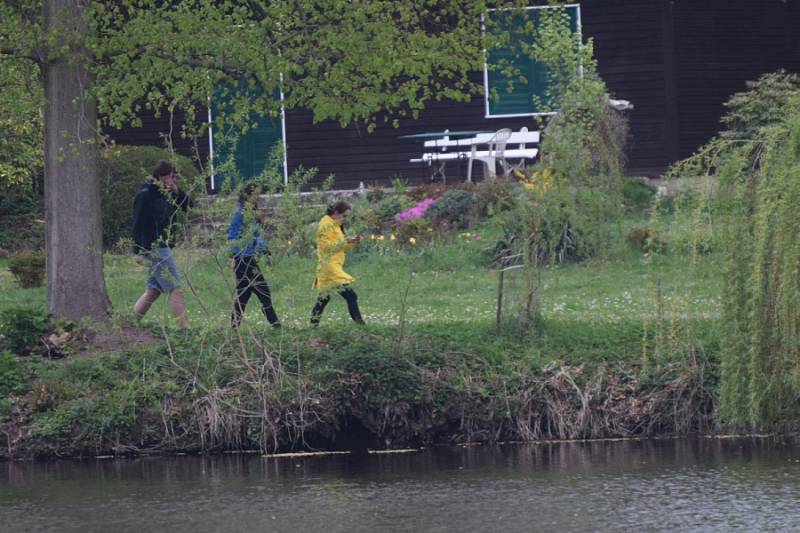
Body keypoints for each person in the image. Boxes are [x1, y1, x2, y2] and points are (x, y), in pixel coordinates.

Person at [131, 160, 192, 329]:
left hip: (164, 245)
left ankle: (131, 322)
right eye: (172, 177)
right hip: (155, 247)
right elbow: (137, 224)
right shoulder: (146, 195)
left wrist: (177, 191)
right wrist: (138, 251)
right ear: (162, 176)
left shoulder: (168, 193)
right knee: (175, 288)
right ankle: (184, 328)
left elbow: (188, 206)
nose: (174, 180)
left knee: (154, 290)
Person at [228, 183, 281, 328]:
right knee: (263, 291)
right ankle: (276, 325)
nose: (258, 197)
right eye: (255, 194)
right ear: (247, 195)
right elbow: (232, 235)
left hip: (249, 257)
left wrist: (265, 251)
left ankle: (234, 327)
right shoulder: (239, 213)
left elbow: (256, 236)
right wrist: (232, 255)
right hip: (242, 259)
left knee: (243, 295)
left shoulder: (251, 212)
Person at [310, 201, 365, 326]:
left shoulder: (335, 225)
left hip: (331, 266)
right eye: (344, 216)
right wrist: (346, 241)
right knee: (351, 296)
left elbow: (340, 247)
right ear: (336, 213)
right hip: (330, 267)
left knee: (324, 298)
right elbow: (327, 247)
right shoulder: (325, 225)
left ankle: (312, 326)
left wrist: (353, 242)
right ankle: (360, 324)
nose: (345, 219)